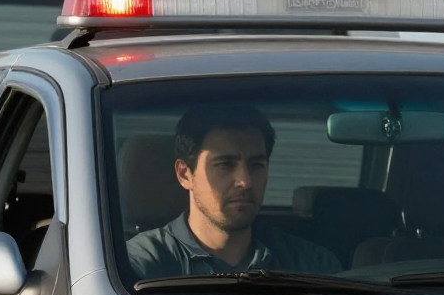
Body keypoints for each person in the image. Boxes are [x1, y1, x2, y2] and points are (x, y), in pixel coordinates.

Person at [127, 103, 341, 279]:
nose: (245, 182)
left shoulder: (311, 266)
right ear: (185, 174)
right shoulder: (140, 265)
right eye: (225, 165)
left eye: (256, 165)